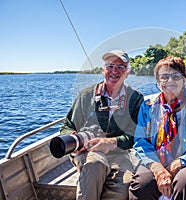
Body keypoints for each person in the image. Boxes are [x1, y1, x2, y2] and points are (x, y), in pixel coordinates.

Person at [129, 56, 186, 200]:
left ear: (184, 79)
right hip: (156, 159)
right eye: (164, 77)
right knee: (141, 185)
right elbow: (140, 142)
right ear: (158, 81)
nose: (170, 81)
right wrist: (157, 168)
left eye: (176, 76)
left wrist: (181, 162)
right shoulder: (147, 106)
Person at [60, 49, 144, 200]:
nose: (114, 71)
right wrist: (75, 140)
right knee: (94, 165)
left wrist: (112, 142)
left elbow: (137, 134)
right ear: (102, 70)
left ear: (128, 72)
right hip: (88, 151)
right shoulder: (86, 95)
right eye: (110, 66)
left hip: (119, 153)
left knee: (123, 185)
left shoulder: (136, 98)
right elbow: (68, 125)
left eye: (120, 67)